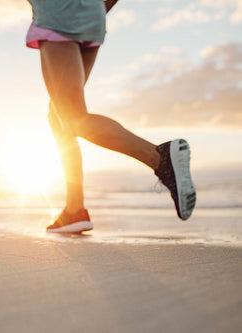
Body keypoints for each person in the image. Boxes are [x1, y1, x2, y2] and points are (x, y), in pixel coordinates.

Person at [25, 0, 196, 233]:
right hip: (92, 15)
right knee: (59, 117)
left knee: (73, 118)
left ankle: (159, 158)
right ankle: (74, 210)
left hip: (59, 14)